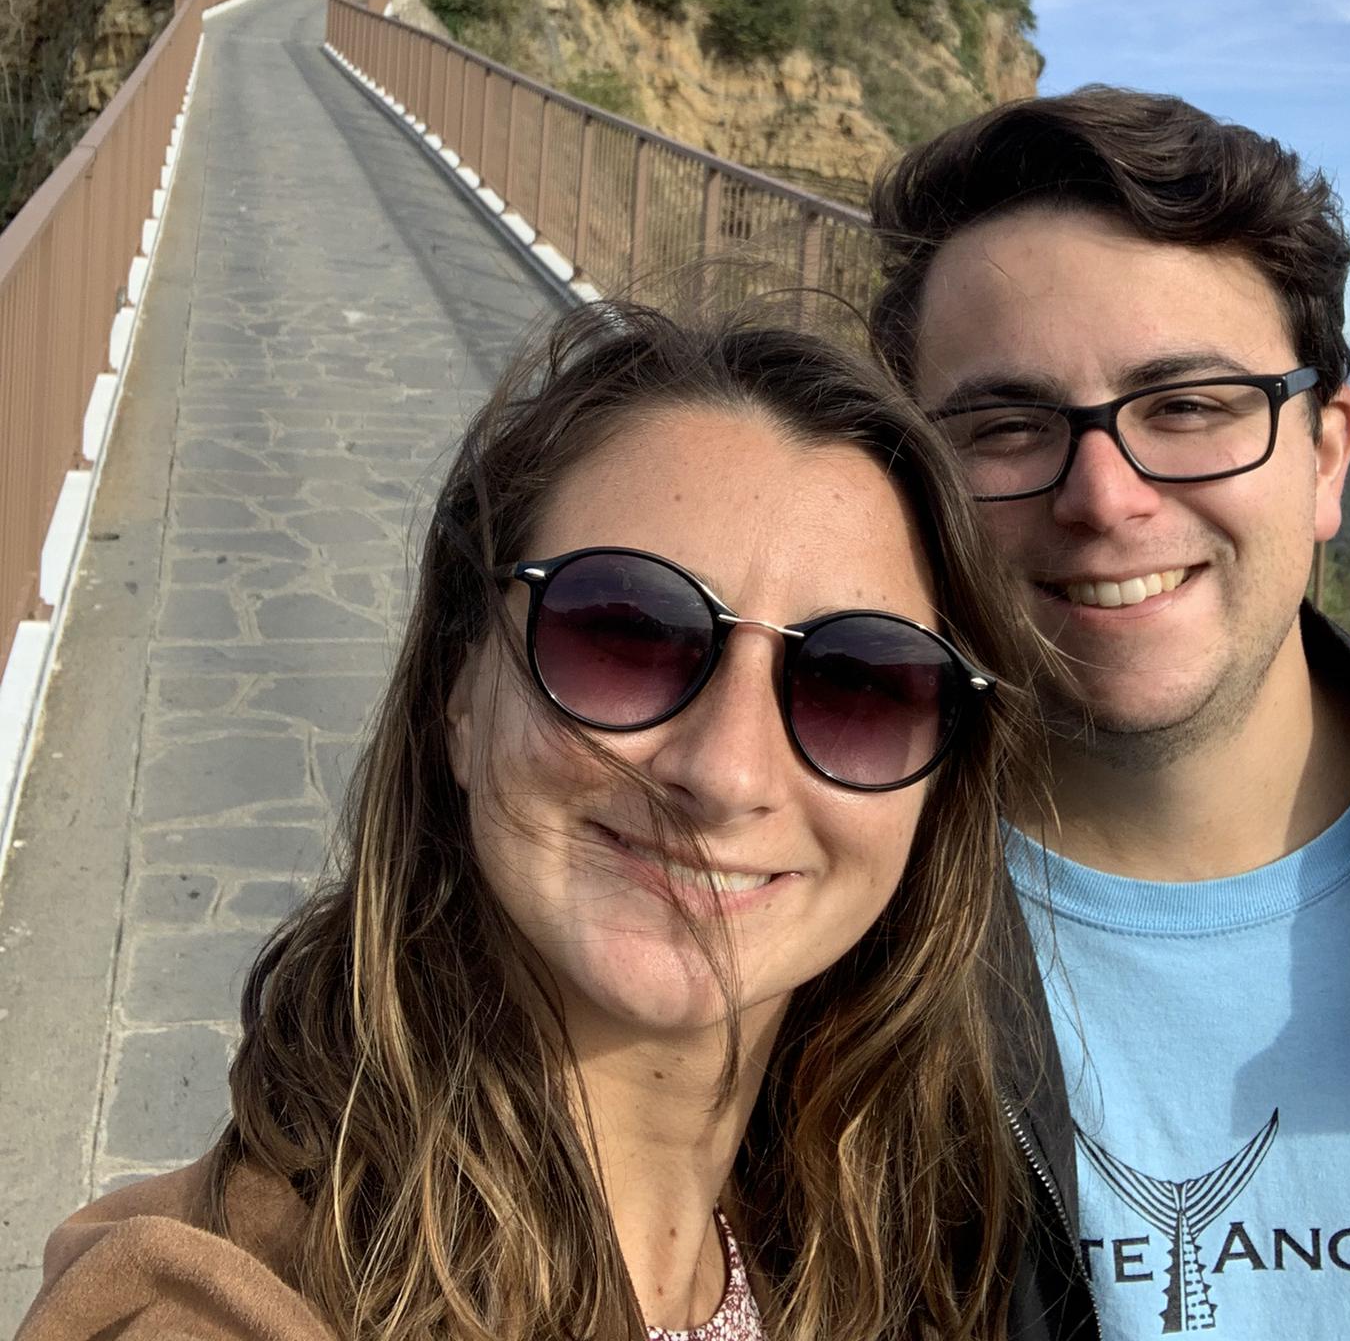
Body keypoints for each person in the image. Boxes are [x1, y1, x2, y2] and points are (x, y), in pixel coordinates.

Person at [22, 303, 1047, 1341]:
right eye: (622, 633)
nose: (727, 771)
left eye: (857, 683)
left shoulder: (895, 1254)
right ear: (461, 690)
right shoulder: (214, 1297)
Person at [869, 86, 1350, 1341]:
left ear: (1326, 454)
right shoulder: (823, 887)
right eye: (1004, 426)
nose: (1105, 496)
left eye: (1192, 406)